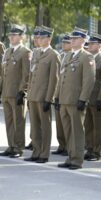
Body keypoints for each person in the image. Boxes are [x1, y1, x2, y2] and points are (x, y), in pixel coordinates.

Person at [56, 27, 95, 170]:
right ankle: (70, 156)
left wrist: (83, 99)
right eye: (71, 38)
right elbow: (61, 78)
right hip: (64, 100)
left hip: (75, 100)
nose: (72, 41)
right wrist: (57, 97)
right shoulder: (67, 56)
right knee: (67, 130)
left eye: (75, 38)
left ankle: (77, 160)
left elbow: (89, 80)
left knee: (77, 131)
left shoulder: (87, 57)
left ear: (83, 40)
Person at [24, 25, 60, 163]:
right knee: (34, 126)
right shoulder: (37, 53)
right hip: (33, 96)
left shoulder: (53, 55)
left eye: (42, 37)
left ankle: (44, 154)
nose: (38, 39)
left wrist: (49, 98)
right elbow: (32, 75)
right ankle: (36, 151)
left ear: (49, 39)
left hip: (43, 96)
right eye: (38, 37)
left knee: (45, 126)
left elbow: (54, 79)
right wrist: (28, 94)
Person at [0, 24, 31, 158]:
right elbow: (3, 73)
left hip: (17, 93)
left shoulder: (25, 52)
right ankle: (11, 145)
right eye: (10, 35)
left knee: (18, 121)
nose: (11, 37)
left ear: (21, 37)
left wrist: (22, 91)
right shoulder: (7, 52)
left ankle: (18, 147)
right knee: (9, 121)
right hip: (6, 92)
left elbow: (26, 74)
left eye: (14, 35)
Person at [84, 33, 101, 161]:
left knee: (98, 126)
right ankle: (89, 148)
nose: (89, 45)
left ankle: (96, 151)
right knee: (88, 125)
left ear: (99, 45)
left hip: (97, 98)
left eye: (93, 43)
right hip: (87, 97)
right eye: (89, 43)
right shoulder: (87, 57)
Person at [52, 33, 72, 156]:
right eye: (63, 42)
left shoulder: (73, 57)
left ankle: (68, 147)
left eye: (67, 42)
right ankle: (62, 145)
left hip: (69, 95)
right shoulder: (61, 56)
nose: (64, 44)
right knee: (59, 123)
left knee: (68, 124)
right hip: (60, 93)